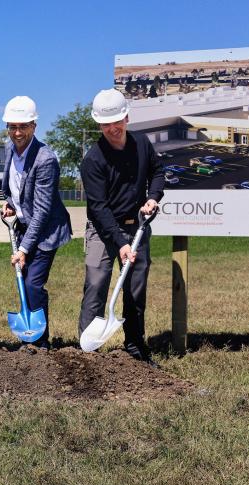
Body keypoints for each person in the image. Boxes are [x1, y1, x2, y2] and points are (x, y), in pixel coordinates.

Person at [79, 89, 164, 366]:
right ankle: (87, 351)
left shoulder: (142, 143)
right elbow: (99, 208)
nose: (112, 128)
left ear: (127, 117)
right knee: (96, 284)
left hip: (137, 228)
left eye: (117, 121)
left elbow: (158, 172)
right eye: (105, 124)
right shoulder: (93, 159)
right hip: (103, 231)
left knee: (135, 290)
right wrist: (120, 242)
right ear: (98, 124)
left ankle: (136, 347)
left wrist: (153, 197)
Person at [0, 96, 72, 350]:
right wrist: (9, 202)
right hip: (23, 226)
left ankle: (39, 342)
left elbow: (42, 211)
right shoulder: (9, 149)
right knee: (25, 280)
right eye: (12, 127)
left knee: (32, 283)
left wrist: (23, 249)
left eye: (23, 127)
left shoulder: (45, 159)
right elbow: (12, 186)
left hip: (46, 231)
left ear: (34, 126)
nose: (17, 133)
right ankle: (31, 338)